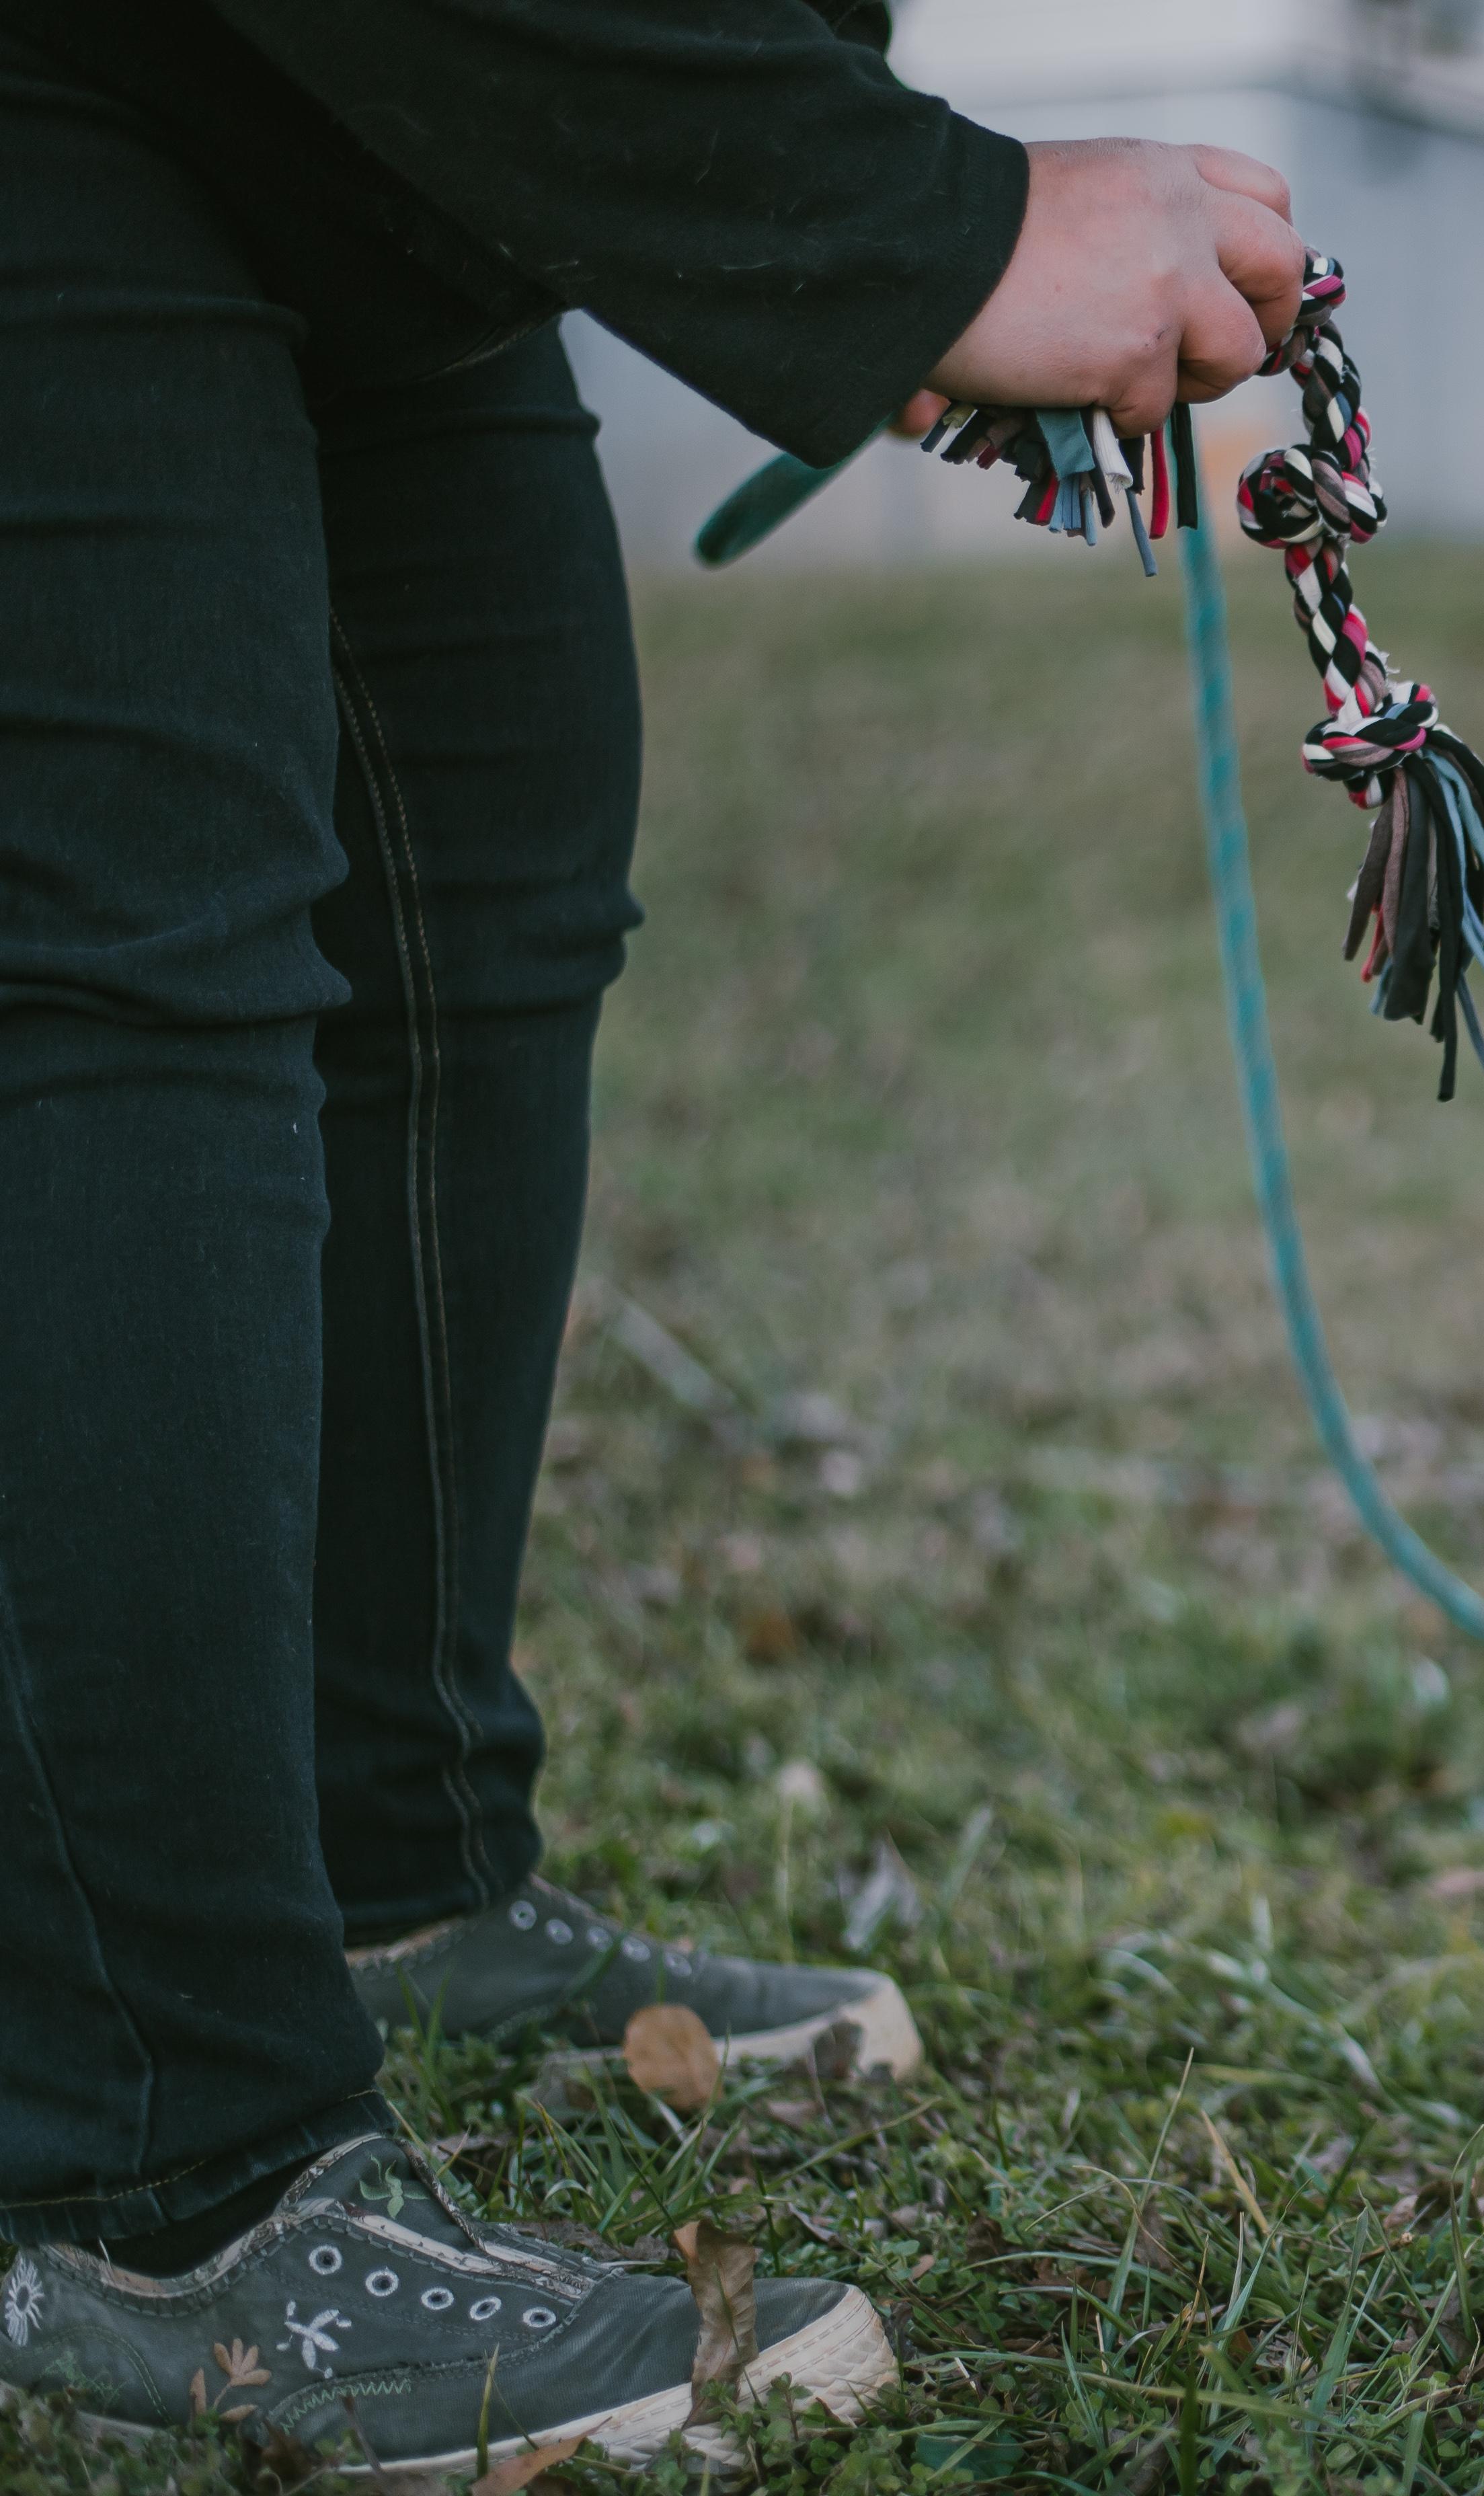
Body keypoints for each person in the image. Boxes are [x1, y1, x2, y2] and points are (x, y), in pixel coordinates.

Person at [0, 0, 1305, 2474]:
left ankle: (396, 1864)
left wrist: (781, 194)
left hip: (362, 104)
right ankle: (162, 2178)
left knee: (480, 866)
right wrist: (918, 222)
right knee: (124, 956)